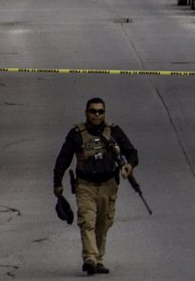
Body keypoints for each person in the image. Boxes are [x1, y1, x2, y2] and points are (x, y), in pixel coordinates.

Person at [53, 97, 139, 276]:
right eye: (93, 111)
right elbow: (63, 158)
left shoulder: (114, 131)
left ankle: (98, 259)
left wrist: (129, 165)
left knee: (103, 223)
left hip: (108, 185)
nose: (97, 114)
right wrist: (57, 182)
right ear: (86, 113)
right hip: (85, 186)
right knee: (87, 222)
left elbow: (132, 152)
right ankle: (90, 258)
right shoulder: (76, 134)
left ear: (105, 113)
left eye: (100, 111)